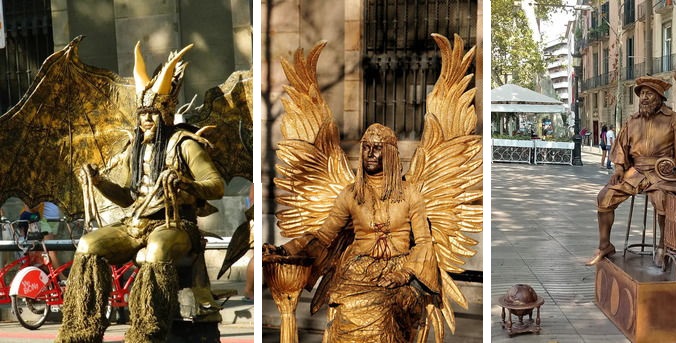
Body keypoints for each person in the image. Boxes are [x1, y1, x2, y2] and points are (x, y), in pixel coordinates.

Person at [56, 43, 225, 343]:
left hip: (175, 225)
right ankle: (81, 330)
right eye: (143, 113)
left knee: (156, 251)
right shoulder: (134, 149)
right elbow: (127, 198)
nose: (146, 119)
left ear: (166, 114)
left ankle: (148, 331)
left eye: (153, 113)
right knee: (87, 245)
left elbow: (217, 186)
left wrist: (186, 185)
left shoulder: (185, 145)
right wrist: (98, 182)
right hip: (136, 223)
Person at [265, 124, 441, 342]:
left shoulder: (410, 193)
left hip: (399, 271)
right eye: (366, 147)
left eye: (377, 148)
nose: (370, 154)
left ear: (390, 154)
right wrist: (285, 248)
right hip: (358, 271)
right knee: (346, 306)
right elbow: (324, 235)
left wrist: (403, 275)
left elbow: (424, 242)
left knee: (381, 309)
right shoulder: (350, 194)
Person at [587, 76, 676, 265]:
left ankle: (664, 246)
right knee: (604, 197)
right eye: (641, 94)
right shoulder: (632, 121)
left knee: (664, 202)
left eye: (648, 94)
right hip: (635, 171)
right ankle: (605, 245)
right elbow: (621, 147)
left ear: (659, 97)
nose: (644, 98)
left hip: (662, 172)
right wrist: (619, 168)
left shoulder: (674, 120)